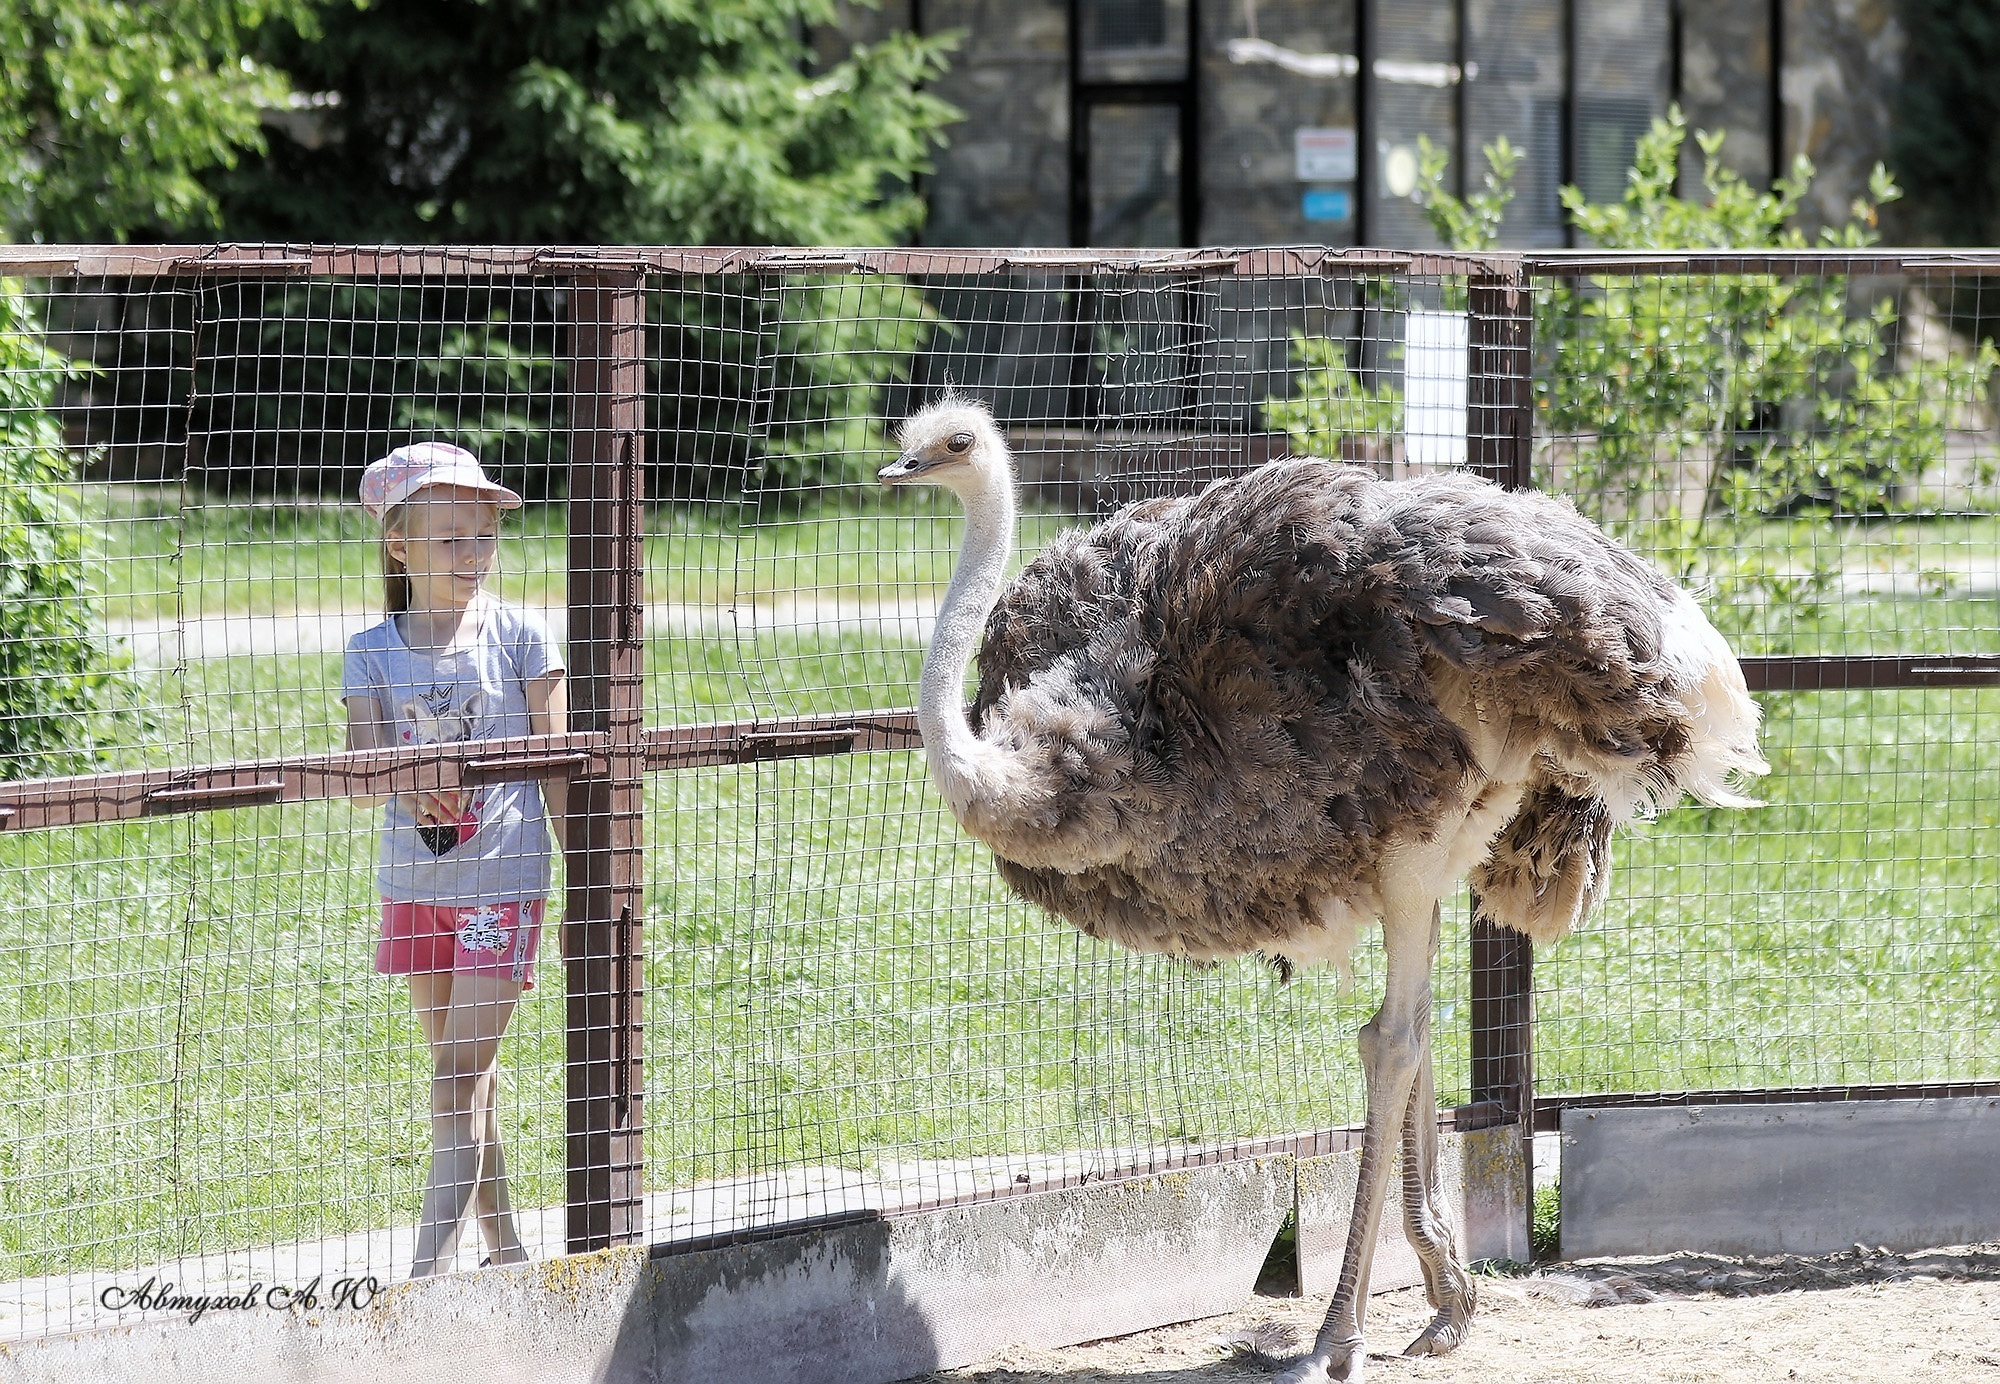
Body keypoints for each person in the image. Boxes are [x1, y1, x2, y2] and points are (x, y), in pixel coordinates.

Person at [341, 442, 566, 1278]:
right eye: (450, 539)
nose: (473, 554)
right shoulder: (370, 649)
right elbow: (363, 776)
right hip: (414, 887)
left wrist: (594, 876)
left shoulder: (519, 634)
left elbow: (558, 761)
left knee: (456, 1080)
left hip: (500, 883)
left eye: (483, 536)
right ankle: (506, 1253)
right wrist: (404, 785)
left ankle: (425, 1279)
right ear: (399, 544)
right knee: (466, 1083)